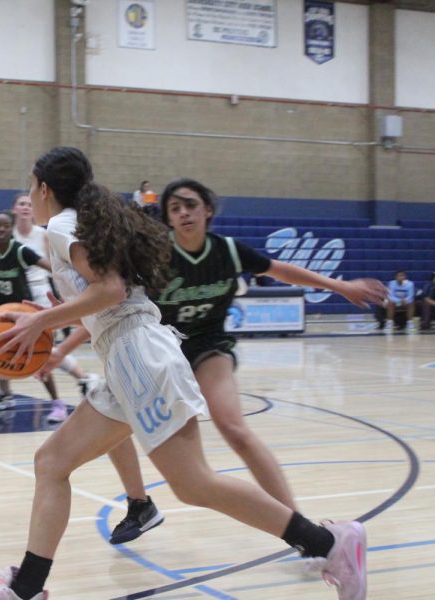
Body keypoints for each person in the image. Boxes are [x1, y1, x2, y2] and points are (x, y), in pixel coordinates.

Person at [0, 147, 367, 600]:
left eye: (30, 187)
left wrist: (42, 323)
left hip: (138, 356)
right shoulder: (76, 225)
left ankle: (329, 542)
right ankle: (27, 588)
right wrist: (50, 319)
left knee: (195, 484)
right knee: (52, 463)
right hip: (127, 357)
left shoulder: (59, 226)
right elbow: (103, 294)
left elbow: (110, 291)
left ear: (43, 188)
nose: (28, 197)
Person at [88, 178, 388, 545]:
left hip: (208, 347)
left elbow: (282, 270)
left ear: (207, 210)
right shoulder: (157, 253)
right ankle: (140, 504)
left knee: (233, 428)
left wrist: (341, 286)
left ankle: (302, 530)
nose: (183, 213)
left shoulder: (228, 250)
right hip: (159, 351)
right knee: (110, 413)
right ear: (167, 218)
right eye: (175, 208)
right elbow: (114, 300)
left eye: (190, 205)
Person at [0, 211, 57, 417]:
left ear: (11, 228)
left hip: (18, 310)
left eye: (5, 226)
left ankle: (56, 402)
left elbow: (46, 265)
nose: (1, 230)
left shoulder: (19, 250)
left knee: (38, 352)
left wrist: (64, 274)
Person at [11, 193, 89, 423]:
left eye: (28, 203)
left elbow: (55, 268)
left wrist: (62, 302)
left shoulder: (45, 234)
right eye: (21, 204)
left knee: (41, 350)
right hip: (19, 294)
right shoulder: (9, 234)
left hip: (41, 293)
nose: (25, 207)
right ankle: (84, 379)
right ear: (14, 209)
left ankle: (61, 400)